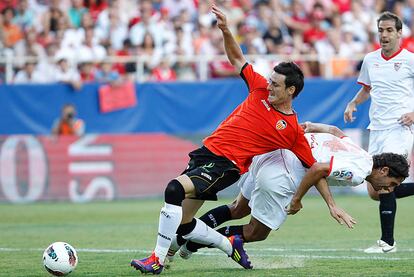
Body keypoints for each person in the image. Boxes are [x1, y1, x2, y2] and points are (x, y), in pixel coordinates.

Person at [130, 4, 316, 274]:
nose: (269, 85)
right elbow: (237, 59)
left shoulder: (291, 129)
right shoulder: (260, 87)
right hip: (206, 153)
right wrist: (227, 30)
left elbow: (314, 166)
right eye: (271, 80)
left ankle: (157, 259)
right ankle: (230, 246)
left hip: (226, 164)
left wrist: (324, 202)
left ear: (291, 90)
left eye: (276, 84)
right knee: (183, 223)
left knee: (173, 189)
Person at [170, 122, 409, 259]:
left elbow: (335, 131)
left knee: (237, 208)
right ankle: (193, 243)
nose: (389, 189)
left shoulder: (361, 152)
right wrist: (318, 203)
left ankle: (180, 237)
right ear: (384, 170)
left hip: (269, 155)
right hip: (281, 174)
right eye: (393, 183)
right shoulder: (358, 172)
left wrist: (311, 126)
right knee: (256, 232)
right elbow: (317, 169)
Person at [343, 11, 414, 253]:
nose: (384, 35)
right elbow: (366, 90)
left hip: (400, 129)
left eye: (389, 30)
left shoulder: (409, 60)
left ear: (399, 33)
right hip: (377, 129)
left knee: (385, 184)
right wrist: (353, 103)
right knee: (375, 190)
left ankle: (387, 243)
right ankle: (387, 242)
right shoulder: (370, 59)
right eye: (381, 30)